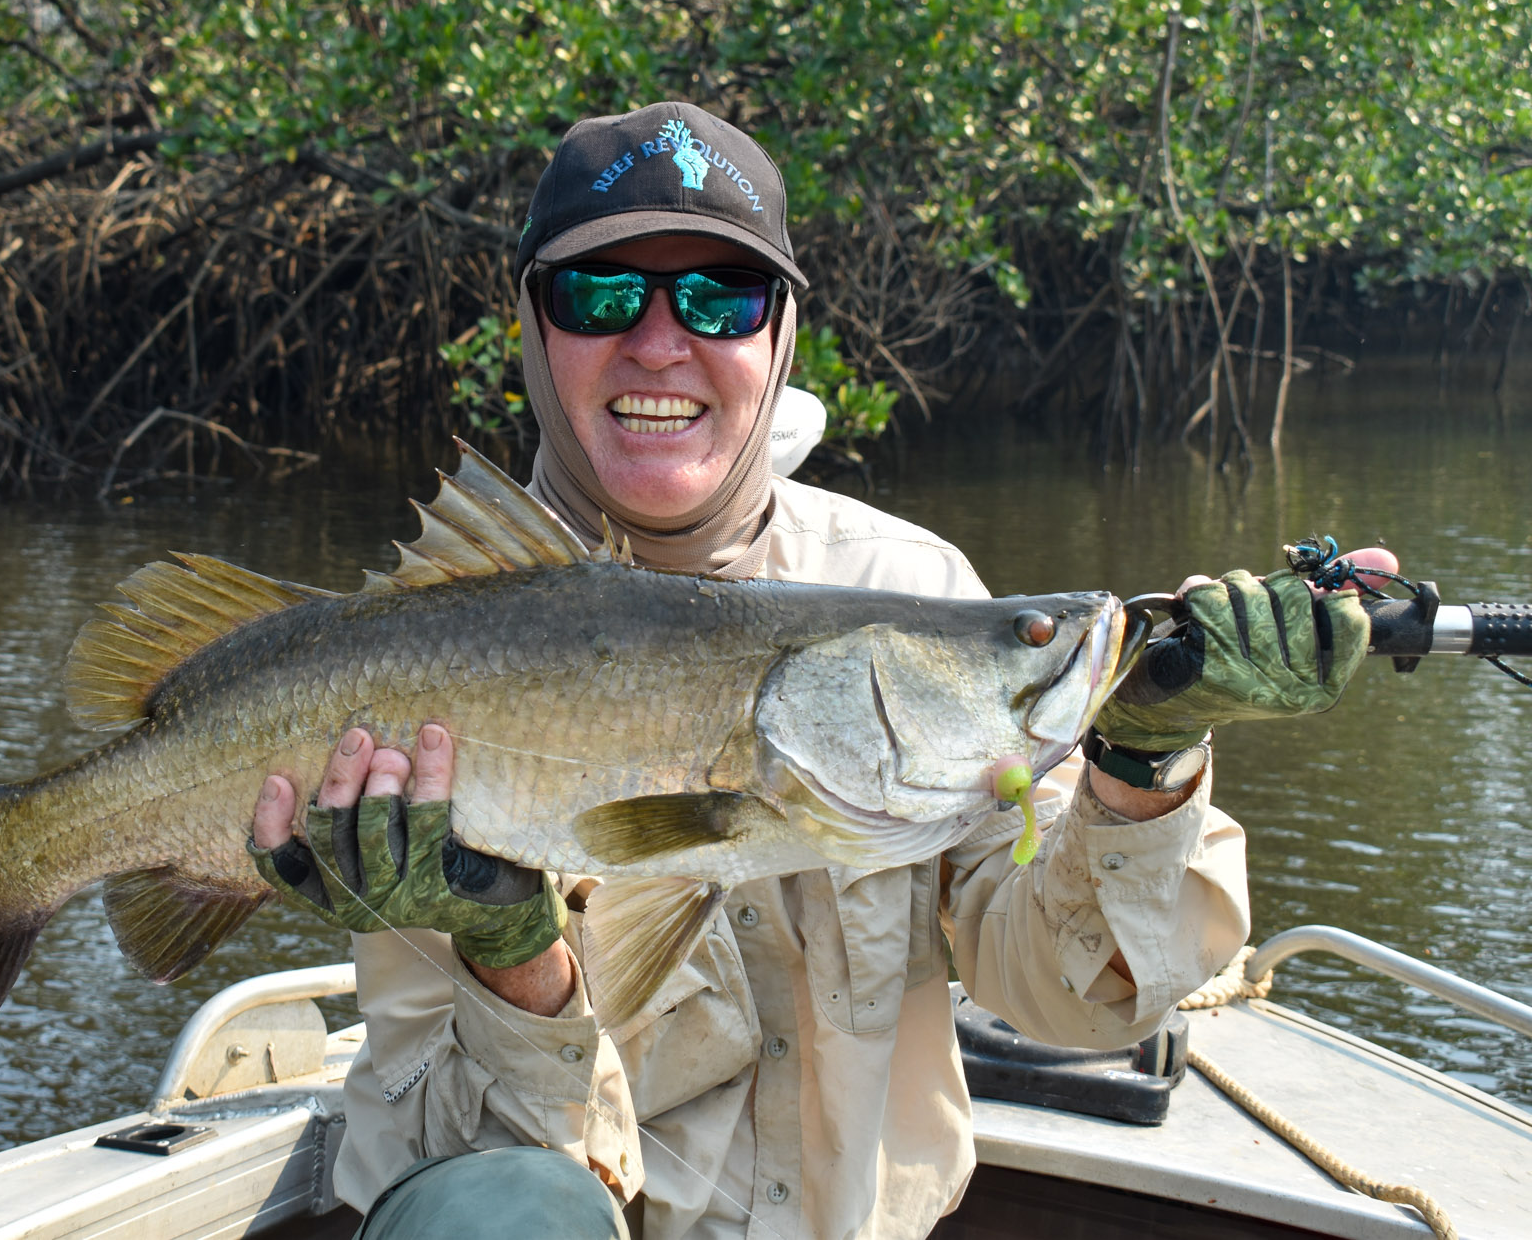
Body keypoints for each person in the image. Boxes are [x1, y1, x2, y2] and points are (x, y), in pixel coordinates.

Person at [247, 103, 1369, 1239]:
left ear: (779, 333)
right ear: (532, 328)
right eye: (597, 295)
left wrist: (1141, 760)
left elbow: (1072, 994)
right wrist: (509, 956)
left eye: (719, 297)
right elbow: (461, 1168)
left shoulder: (916, 586)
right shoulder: (416, 653)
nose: (656, 341)